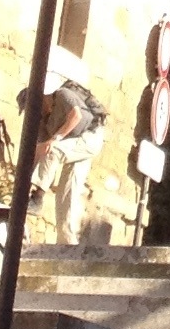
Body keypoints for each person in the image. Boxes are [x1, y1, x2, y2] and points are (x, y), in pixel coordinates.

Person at [20, 79, 108, 247]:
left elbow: (76, 116)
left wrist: (55, 139)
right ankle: (67, 243)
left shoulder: (62, 94)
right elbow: (39, 153)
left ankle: (38, 198)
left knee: (53, 150)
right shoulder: (44, 122)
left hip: (91, 137)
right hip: (75, 146)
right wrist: (24, 184)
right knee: (67, 193)